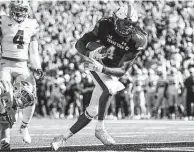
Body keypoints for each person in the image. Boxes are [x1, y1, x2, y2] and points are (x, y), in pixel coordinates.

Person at [51, 3, 147, 151]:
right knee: (109, 89)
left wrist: (102, 68)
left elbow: (122, 70)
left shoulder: (137, 39)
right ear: (116, 19)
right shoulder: (104, 25)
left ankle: (62, 138)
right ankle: (100, 128)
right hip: (96, 61)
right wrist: (90, 53)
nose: (126, 27)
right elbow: (80, 44)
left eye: (130, 24)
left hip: (111, 70)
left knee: (93, 110)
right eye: (123, 23)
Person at [0, 0, 44, 144]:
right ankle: (5, 136)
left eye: (23, 9)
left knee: (30, 96)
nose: (20, 12)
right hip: (5, 63)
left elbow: (33, 50)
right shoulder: (2, 20)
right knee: (4, 96)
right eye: (17, 9)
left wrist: (37, 67)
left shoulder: (32, 24)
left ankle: (24, 126)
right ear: (11, 9)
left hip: (23, 65)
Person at [0, 80, 36, 150]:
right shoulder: (6, 87)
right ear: (17, 88)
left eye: (27, 98)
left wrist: (4, 141)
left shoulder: (13, 113)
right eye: (25, 94)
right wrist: (2, 111)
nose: (25, 99)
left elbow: (4, 128)